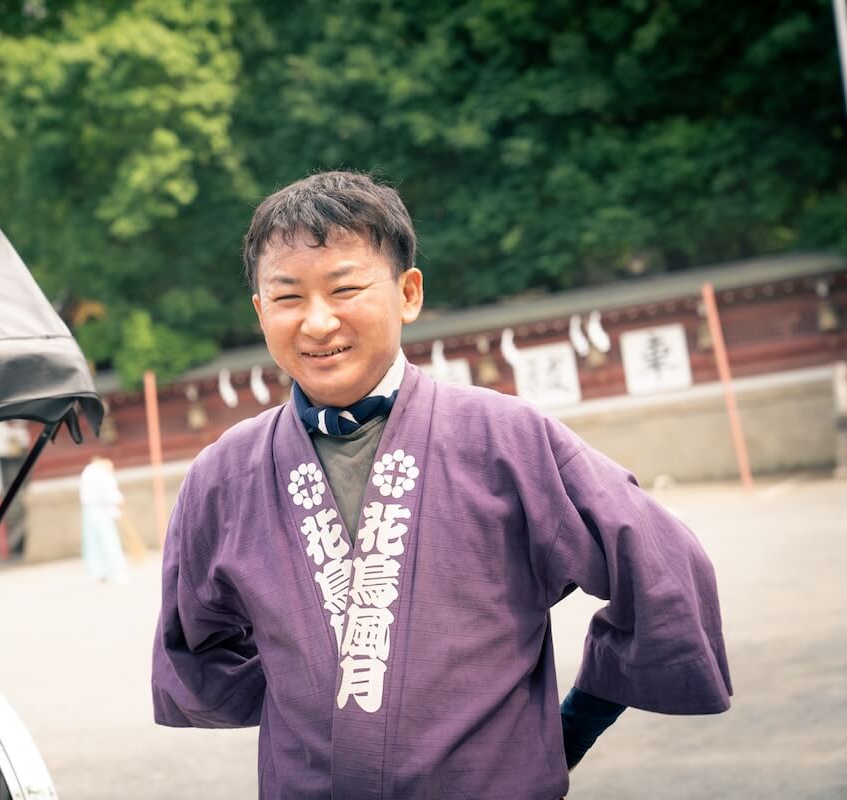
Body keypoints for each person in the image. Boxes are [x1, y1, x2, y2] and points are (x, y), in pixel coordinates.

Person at [151, 171, 732, 799]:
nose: (318, 323)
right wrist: (327, 683)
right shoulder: (223, 477)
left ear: (408, 293)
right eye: (288, 298)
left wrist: (574, 725)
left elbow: (665, 569)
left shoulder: (506, 440)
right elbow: (195, 650)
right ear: (261, 311)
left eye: (345, 288)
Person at [79, 455, 129, 583]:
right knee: (109, 540)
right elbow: (109, 492)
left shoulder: (88, 471)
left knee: (93, 542)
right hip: (100, 510)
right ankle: (117, 570)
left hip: (89, 510)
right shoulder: (101, 473)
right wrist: (118, 500)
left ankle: (99, 572)